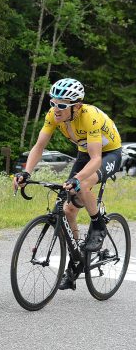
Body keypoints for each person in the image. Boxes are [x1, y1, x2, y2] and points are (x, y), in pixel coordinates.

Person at [13, 78, 122, 290]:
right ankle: (76, 258)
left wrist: (77, 179)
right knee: (68, 209)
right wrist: (26, 172)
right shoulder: (53, 116)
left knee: (83, 185)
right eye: (53, 102)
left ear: (77, 106)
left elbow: (96, 159)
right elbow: (39, 146)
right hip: (85, 152)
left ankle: (98, 223)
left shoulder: (89, 117)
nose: (56, 108)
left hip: (108, 154)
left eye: (62, 105)